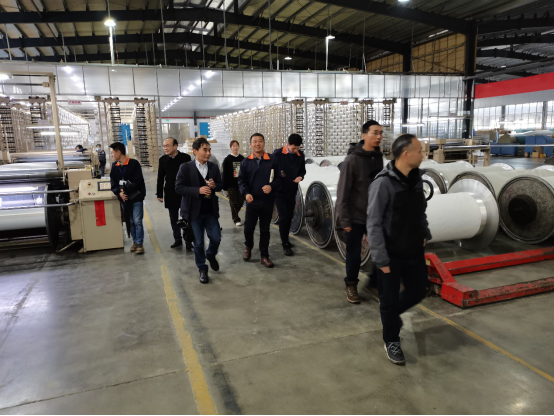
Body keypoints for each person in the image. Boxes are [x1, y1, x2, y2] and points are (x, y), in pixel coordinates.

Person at [367, 134, 431, 366]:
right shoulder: (382, 183)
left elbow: (420, 211)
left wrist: (424, 233)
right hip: (390, 253)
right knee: (389, 300)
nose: (422, 155)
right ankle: (391, 340)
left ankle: (392, 318)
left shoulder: (416, 179)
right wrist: (381, 259)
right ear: (406, 154)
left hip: (413, 250)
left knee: (419, 289)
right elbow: (373, 223)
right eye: (419, 151)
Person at [335, 120, 384, 304]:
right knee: (354, 254)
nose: (379, 137)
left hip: (374, 215)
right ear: (364, 135)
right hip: (355, 216)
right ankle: (351, 285)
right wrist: (344, 220)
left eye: (381, 133)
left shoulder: (378, 157)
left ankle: (373, 285)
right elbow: (342, 191)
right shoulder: (352, 160)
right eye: (375, 133)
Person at [175, 138, 223, 284]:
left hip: (210, 212)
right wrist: (198, 190)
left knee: (216, 238)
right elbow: (178, 187)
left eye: (209, 150)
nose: (208, 153)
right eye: (205, 150)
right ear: (195, 151)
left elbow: (221, 185)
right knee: (199, 243)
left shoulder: (213, 167)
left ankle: (211, 254)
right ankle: (202, 268)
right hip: (193, 213)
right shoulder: (185, 167)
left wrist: (215, 186)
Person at [239, 133, 281, 269]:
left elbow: (279, 178)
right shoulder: (246, 162)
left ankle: (264, 255)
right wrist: (246, 193)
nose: (258, 144)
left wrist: (271, 186)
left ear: (264, 143)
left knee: (265, 229)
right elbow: (241, 181)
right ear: (250, 144)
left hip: (267, 201)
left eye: (260, 141)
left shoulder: (272, 159)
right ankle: (248, 245)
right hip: (252, 201)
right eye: (255, 141)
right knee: (249, 228)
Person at [109, 142, 146, 255]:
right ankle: (135, 241)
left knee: (137, 220)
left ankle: (139, 244)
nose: (111, 155)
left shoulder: (134, 164)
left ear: (119, 152)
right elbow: (113, 182)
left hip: (136, 197)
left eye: (112, 153)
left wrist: (126, 190)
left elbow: (138, 181)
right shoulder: (115, 166)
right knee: (130, 221)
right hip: (124, 199)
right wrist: (119, 193)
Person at [273, 134, 306, 256]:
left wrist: (300, 177)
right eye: (293, 148)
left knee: (289, 216)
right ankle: (285, 244)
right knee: (283, 217)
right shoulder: (278, 154)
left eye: (297, 148)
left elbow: (302, 170)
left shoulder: (300, 155)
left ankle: (285, 238)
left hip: (292, 191)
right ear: (288, 144)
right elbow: (271, 170)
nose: (295, 150)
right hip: (279, 192)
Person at [156, 138, 192, 249]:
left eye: (167, 145)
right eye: (164, 146)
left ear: (175, 146)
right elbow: (160, 178)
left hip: (184, 192)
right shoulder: (163, 160)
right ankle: (177, 239)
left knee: (186, 217)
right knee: (173, 218)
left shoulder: (186, 158)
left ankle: (188, 240)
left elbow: (191, 176)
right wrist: (159, 194)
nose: (165, 148)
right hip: (170, 192)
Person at [222, 140, 245, 226]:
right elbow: (224, 174)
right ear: (230, 148)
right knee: (233, 202)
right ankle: (236, 219)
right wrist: (224, 187)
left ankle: (235, 214)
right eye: (233, 146)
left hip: (241, 184)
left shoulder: (242, 159)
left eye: (236, 146)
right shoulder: (227, 159)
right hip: (230, 184)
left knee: (241, 201)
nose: (235, 147)